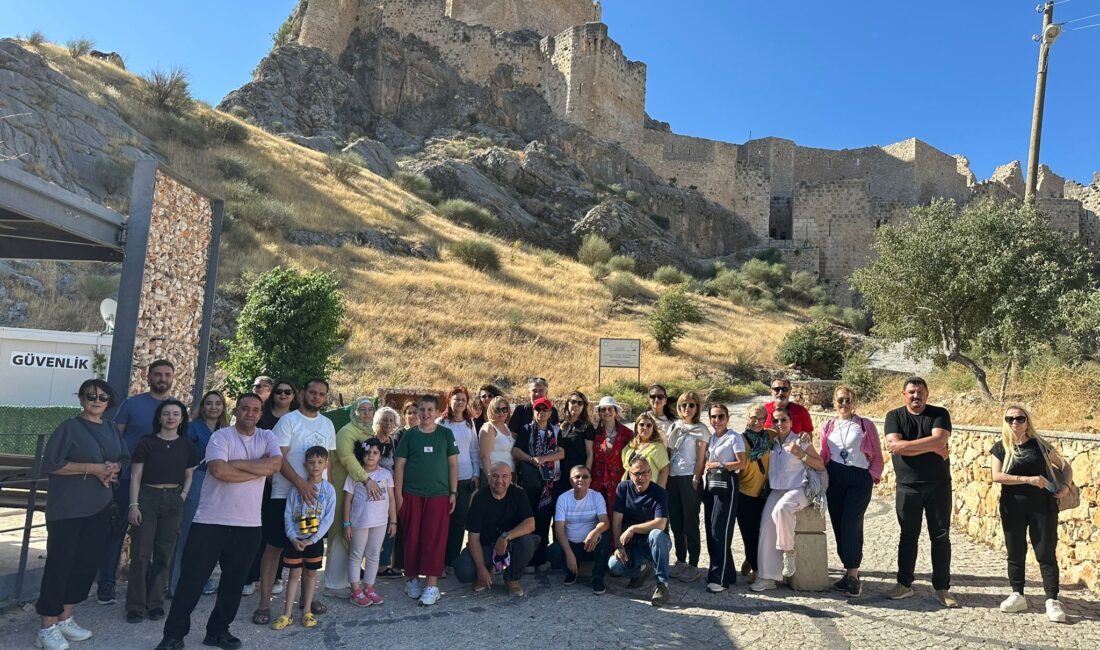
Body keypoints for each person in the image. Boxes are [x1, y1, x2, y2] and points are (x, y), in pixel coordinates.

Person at [156, 394, 282, 650]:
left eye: (255, 410)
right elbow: (218, 471)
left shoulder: (267, 437)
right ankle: (173, 636)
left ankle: (218, 631)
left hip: (248, 525)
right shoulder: (221, 437)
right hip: (211, 522)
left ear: (260, 413)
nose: (250, 413)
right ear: (236, 410)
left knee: (233, 584)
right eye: (245, 408)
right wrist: (258, 469)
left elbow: (276, 465)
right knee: (191, 582)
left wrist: (239, 465)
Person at [35, 379, 127, 650]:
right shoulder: (69, 427)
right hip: (68, 509)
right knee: (60, 564)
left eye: (102, 396)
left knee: (86, 564)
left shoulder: (111, 428)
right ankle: (47, 626)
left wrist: (114, 468)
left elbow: (123, 458)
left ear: (109, 401)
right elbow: (51, 464)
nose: (96, 400)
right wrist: (93, 468)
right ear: (81, 399)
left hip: (99, 506)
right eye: (90, 395)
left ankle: (66, 618)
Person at [256, 379, 337, 625]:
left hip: (315, 501)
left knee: (310, 550)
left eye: (321, 394)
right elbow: (278, 459)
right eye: (312, 392)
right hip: (285, 495)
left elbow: (328, 462)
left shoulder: (328, 424)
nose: (316, 397)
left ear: (325, 398)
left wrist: (328, 490)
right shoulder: (288, 421)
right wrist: (300, 484)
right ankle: (264, 603)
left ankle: (306, 600)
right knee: (275, 547)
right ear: (303, 394)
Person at [98, 359, 175, 606]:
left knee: (153, 539)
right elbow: (115, 437)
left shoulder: (176, 408)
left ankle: (147, 588)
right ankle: (106, 584)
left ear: (172, 378)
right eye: (158, 374)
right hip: (128, 478)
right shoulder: (132, 404)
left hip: (160, 484)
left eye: (166, 375)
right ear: (148, 376)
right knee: (116, 533)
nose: (162, 378)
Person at [991, 406, 1071, 623]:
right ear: (1005, 422)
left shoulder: (1040, 445)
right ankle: (1017, 594)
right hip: (1012, 506)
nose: (1014, 422)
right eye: (1010, 419)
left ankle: (1052, 600)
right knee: (1015, 550)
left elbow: (1064, 466)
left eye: (1019, 418)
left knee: (1045, 552)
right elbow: (996, 476)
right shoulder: (1001, 448)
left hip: (1043, 506)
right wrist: (1028, 479)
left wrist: (1064, 485)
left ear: (1027, 421)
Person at [883, 377, 956, 607]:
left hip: (938, 485)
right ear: (904, 394)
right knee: (908, 536)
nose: (916, 396)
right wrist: (932, 446)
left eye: (920, 392)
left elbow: (940, 438)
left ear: (927, 393)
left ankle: (942, 588)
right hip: (908, 486)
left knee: (941, 536)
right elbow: (894, 446)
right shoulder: (893, 416)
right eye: (912, 392)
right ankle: (904, 584)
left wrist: (906, 446)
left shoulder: (939, 413)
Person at [125, 399, 199, 623]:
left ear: (181, 418)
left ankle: (155, 603)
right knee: (140, 553)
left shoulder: (187, 446)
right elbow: (135, 476)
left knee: (165, 553)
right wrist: (133, 505)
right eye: (166, 413)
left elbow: (189, 474)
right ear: (159, 417)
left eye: (175, 413)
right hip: (148, 497)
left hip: (173, 500)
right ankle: (135, 605)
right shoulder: (146, 443)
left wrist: (183, 495)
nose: (170, 417)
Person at [394, 395, 458, 607]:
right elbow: (400, 466)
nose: (425, 414)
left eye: (430, 409)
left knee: (434, 539)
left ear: (438, 412)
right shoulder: (409, 436)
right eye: (422, 409)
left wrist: (453, 492)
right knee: (411, 537)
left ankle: (432, 585)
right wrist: (399, 495)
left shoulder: (446, 435)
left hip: (439, 494)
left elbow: (452, 465)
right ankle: (411, 579)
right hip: (412, 494)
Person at [751, 407, 825, 592]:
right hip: (777, 490)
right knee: (766, 526)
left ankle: (788, 551)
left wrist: (802, 454)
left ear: (791, 422)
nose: (780, 424)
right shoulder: (772, 442)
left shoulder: (800, 441)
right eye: (776, 421)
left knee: (782, 509)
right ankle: (768, 577)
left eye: (783, 420)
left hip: (799, 488)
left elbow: (820, 464)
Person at [820, 385, 884, 597]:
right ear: (834, 402)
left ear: (854, 402)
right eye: (840, 400)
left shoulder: (865, 425)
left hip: (859, 478)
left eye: (848, 400)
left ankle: (854, 575)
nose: (844, 404)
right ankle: (848, 572)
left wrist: (871, 475)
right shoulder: (828, 426)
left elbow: (876, 453)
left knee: (851, 522)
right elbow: (824, 454)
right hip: (835, 477)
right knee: (838, 524)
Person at [271, 446, 336, 630]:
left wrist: (313, 539)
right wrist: (292, 537)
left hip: (313, 541)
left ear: (326, 464)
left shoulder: (329, 490)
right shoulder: (295, 489)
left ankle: (307, 610)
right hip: (296, 540)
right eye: (312, 462)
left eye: (320, 462)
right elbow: (288, 514)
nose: (316, 466)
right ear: (305, 464)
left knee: (311, 574)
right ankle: (287, 614)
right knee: (293, 575)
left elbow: (328, 518)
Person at [171, 391, 229, 596]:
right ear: (202, 407)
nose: (213, 407)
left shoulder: (227, 430)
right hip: (196, 480)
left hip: (220, 483)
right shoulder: (192, 428)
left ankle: (202, 581)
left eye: (218, 403)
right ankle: (176, 584)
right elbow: (184, 457)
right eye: (209, 403)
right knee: (187, 532)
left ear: (223, 407)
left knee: (208, 536)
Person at [453, 462, 537, 596]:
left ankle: (511, 579)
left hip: (509, 545)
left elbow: (530, 524)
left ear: (511, 478)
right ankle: (484, 571)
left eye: (504, 476)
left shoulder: (519, 493)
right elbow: (473, 537)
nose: (500, 481)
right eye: (495, 476)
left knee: (528, 541)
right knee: (463, 570)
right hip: (486, 547)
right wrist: (480, 569)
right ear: (488, 477)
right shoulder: (479, 497)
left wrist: (505, 537)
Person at [246, 379, 297, 597]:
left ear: (294, 396)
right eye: (279, 391)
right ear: (272, 394)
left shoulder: (297, 419)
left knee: (280, 531)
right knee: (257, 530)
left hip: (286, 482)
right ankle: (250, 576)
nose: (283, 395)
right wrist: (265, 471)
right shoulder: (262, 418)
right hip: (261, 480)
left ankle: (276, 575)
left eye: (288, 391)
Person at [323, 398, 378, 597]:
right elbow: (347, 459)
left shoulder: (368, 432)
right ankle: (333, 584)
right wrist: (366, 480)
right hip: (342, 487)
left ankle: (348, 580)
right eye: (361, 410)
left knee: (353, 533)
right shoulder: (347, 432)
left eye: (369, 409)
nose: (366, 413)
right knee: (340, 531)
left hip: (358, 490)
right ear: (354, 412)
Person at [608, 457, 673, 607]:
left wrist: (633, 528)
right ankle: (641, 571)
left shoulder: (659, 492)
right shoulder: (623, 488)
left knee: (656, 534)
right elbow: (616, 520)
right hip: (632, 545)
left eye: (645, 473)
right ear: (630, 474)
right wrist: (619, 547)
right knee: (613, 566)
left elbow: (661, 524)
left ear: (650, 473)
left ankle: (662, 585)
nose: (641, 477)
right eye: (636, 473)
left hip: (655, 544)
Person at [512, 397, 564, 570]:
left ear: (550, 412)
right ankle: (528, 560)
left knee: (544, 520)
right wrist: (531, 460)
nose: (541, 412)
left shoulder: (556, 430)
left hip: (550, 482)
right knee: (530, 518)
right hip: (531, 482)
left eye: (545, 409)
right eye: (538, 409)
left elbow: (561, 453)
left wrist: (543, 459)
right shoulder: (526, 429)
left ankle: (541, 559)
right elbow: (516, 450)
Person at [343, 438, 397, 607]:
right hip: (359, 522)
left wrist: (393, 521)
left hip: (380, 522)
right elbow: (347, 500)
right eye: (367, 453)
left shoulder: (386, 474)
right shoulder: (355, 474)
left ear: (380, 455)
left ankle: (369, 587)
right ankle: (355, 590)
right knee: (356, 554)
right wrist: (346, 523)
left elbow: (392, 499)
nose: (371, 456)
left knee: (374, 554)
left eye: (375, 453)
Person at [664, 390, 708, 584]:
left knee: (691, 522)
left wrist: (696, 478)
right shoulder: (675, 426)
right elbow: (668, 451)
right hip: (673, 478)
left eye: (691, 405)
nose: (687, 409)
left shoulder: (701, 429)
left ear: (697, 408)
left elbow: (700, 458)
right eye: (683, 405)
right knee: (676, 522)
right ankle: (680, 560)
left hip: (690, 478)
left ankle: (693, 563)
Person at [701, 404, 746, 593]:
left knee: (721, 528)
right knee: (711, 528)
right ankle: (727, 572)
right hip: (711, 484)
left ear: (727, 418)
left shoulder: (734, 437)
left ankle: (718, 578)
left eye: (720, 417)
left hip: (727, 483)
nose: (717, 420)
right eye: (713, 417)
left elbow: (742, 463)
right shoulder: (711, 438)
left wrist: (720, 464)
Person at [437, 387, 481, 570]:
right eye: (456, 399)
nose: (460, 402)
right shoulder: (441, 423)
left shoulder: (469, 423)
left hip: (464, 478)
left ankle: (452, 559)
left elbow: (474, 451)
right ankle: (438, 559)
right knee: (442, 521)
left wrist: (476, 474)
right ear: (449, 401)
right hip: (444, 478)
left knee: (459, 521)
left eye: (463, 399)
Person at [549, 465, 611, 594]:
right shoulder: (563, 498)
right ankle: (572, 570)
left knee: (605, 537)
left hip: (590, 545)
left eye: (585, 476)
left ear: (590, 480)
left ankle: (598, 578)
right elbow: (559, 530)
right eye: (577, 476)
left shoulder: (597, 496)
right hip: (571, 545)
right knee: (552, 552)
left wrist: (595, 532)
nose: (581, 479)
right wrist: (569, 554)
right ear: (571, 480)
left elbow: (605, 522)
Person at [737, 404, 777, 583]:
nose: (757, 422)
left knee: (764, 533)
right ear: (747, 418)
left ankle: (752, 560)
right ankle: (756, 567)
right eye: (753, 417)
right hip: (745, 493)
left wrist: (805, 435)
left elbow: (791, 437)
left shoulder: (771, 436)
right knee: (749, 533)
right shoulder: (739, 440)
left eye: (761, 418)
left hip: (766, 493)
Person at [371, 407, 403, 578]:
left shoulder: (392, 441)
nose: (388, 423)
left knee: (391, 523)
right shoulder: (372, 441)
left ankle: (384, 565)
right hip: (373, 488)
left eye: (391, 420)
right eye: (385, 420)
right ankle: (369, 564)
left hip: (389, 488)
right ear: (378, 421)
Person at [591, 396, 634, 514]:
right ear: (599, 413)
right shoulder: (594, 433)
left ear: (616, 412)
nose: (607, 412)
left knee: (618, 515)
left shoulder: (627, 433)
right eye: (603, 409)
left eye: (610, 409)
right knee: (598, 514)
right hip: (598, 481)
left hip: (618, 480)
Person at [557, 391, 595, 497]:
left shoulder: (586, 427)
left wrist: (586, 476)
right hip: (559, 473)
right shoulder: (559, 424)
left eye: (580, 403)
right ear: (567, 404)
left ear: (584, 406)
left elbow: (590, 454)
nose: (576, 405)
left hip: (577, 474)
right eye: (573, 402)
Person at [623, 413, 669, 487]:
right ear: (636, 427)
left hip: (650, 490)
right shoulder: (629, 448)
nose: (645, 427)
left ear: (653, 428)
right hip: (630, 490)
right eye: (641, 425)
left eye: (649, 425)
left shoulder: (657, 447)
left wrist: (660, 490)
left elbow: (664, 470)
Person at [478, 396, 515, 481]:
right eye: (497, 410)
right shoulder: (489, 427)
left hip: (508, 476)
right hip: (495, 478)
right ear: (491, 411)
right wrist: (490, 479)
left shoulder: (506, 427)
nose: (501, 413)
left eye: (504, 409)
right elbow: (484, 456)